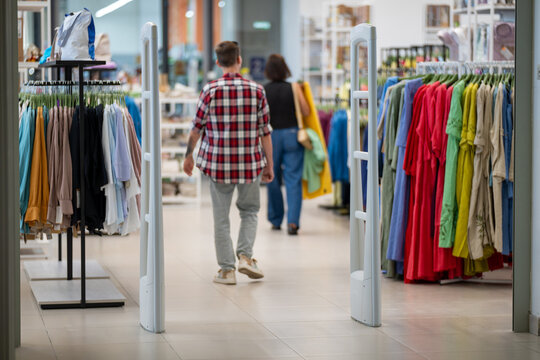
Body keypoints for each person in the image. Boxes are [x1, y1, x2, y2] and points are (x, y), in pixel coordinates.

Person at [183, 41, 274, 285]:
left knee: (221, 218)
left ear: (217, 62)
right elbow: (265, 132)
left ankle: (227, 270)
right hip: (250, 163)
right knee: (250, 211)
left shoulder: (210, 90)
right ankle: (245, 256)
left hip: (218, 164)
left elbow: (196, 129)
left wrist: (188, 156)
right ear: (239, 60)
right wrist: (269, 165)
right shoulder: (257, 90)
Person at [263, 54, 310, 235]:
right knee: (293, 179)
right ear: (285, 69)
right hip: (292, 135)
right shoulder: (294, 87)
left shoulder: (263, 90)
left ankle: (276, 220)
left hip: (271, 137)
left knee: (272, 177)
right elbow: (305, 111)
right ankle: (292, 222)